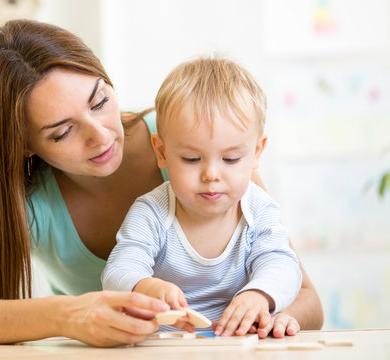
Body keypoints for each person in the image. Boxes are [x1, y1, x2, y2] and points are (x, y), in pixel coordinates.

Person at [0, 19, 323, 347]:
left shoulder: (197, 138)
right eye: (61, 132)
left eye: (100, 101)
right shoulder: (25, 197)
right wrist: (69, 316)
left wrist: (269, 313)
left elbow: (305, 297)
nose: (102, 135)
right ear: (23, 146)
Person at [102, 56, 303, 338]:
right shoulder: (151, 212)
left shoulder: (259, 210)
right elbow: (118, 271)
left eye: (231, 159)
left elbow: (283, 266)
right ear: (161, 152)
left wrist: (259, 295)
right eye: (192, 158)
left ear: (257, 152)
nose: (211, 175)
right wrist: (145, 286)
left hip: (239, 345)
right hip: (165, 347)